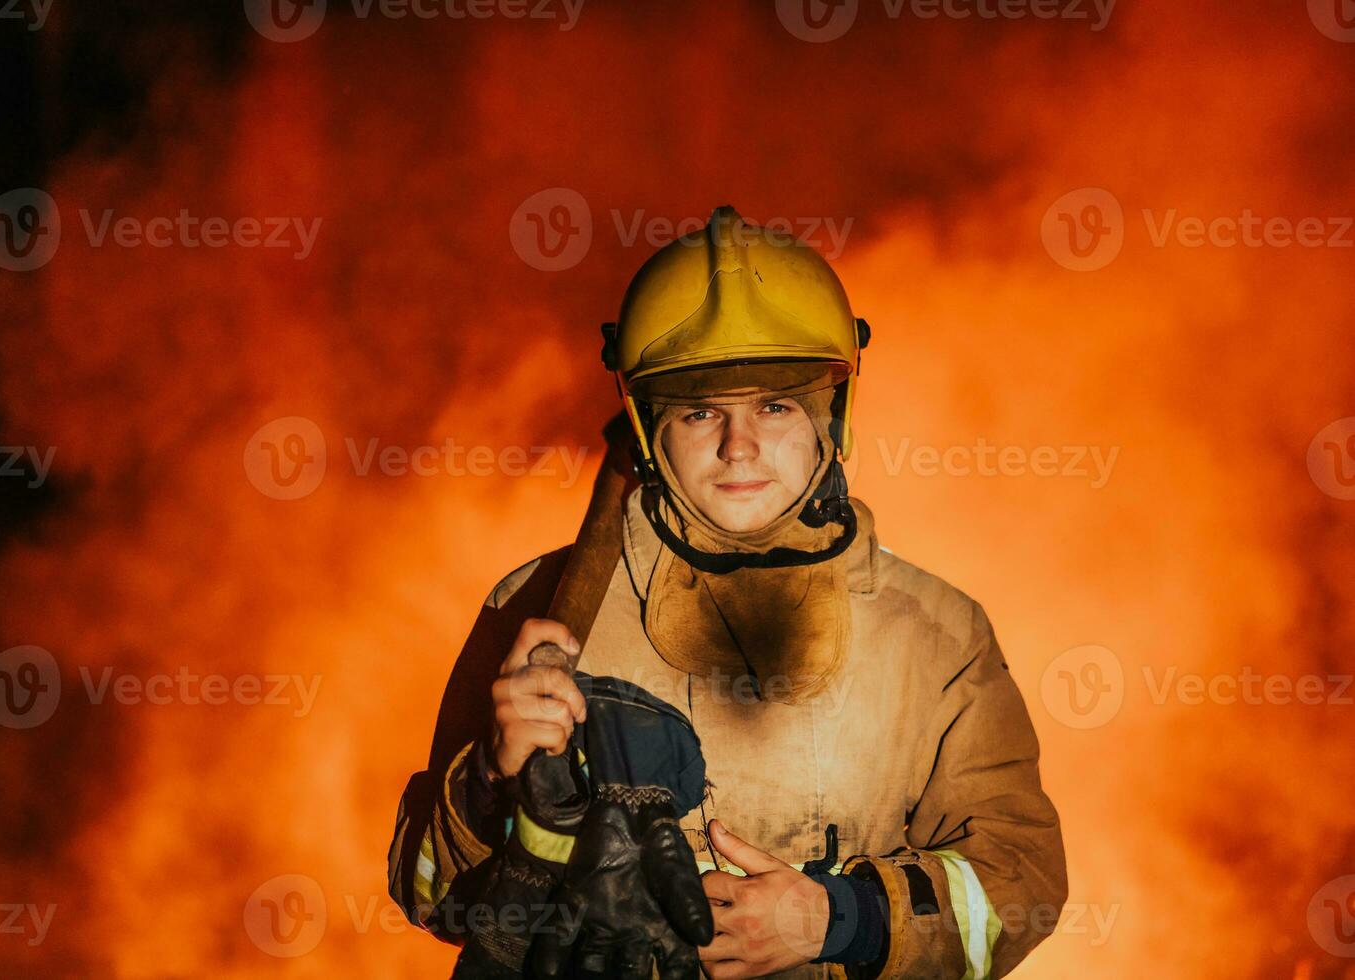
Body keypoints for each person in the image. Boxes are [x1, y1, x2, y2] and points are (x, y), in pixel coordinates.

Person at [389, 206, 1067, 978]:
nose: (738, 445)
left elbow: (1023, 885)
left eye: (775, 406)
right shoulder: (539, 617)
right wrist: (490, 783)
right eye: (700, 409)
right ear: (648, 426)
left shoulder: (934, 636)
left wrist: (840, 919)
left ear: (830, 416)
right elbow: (429, 896)